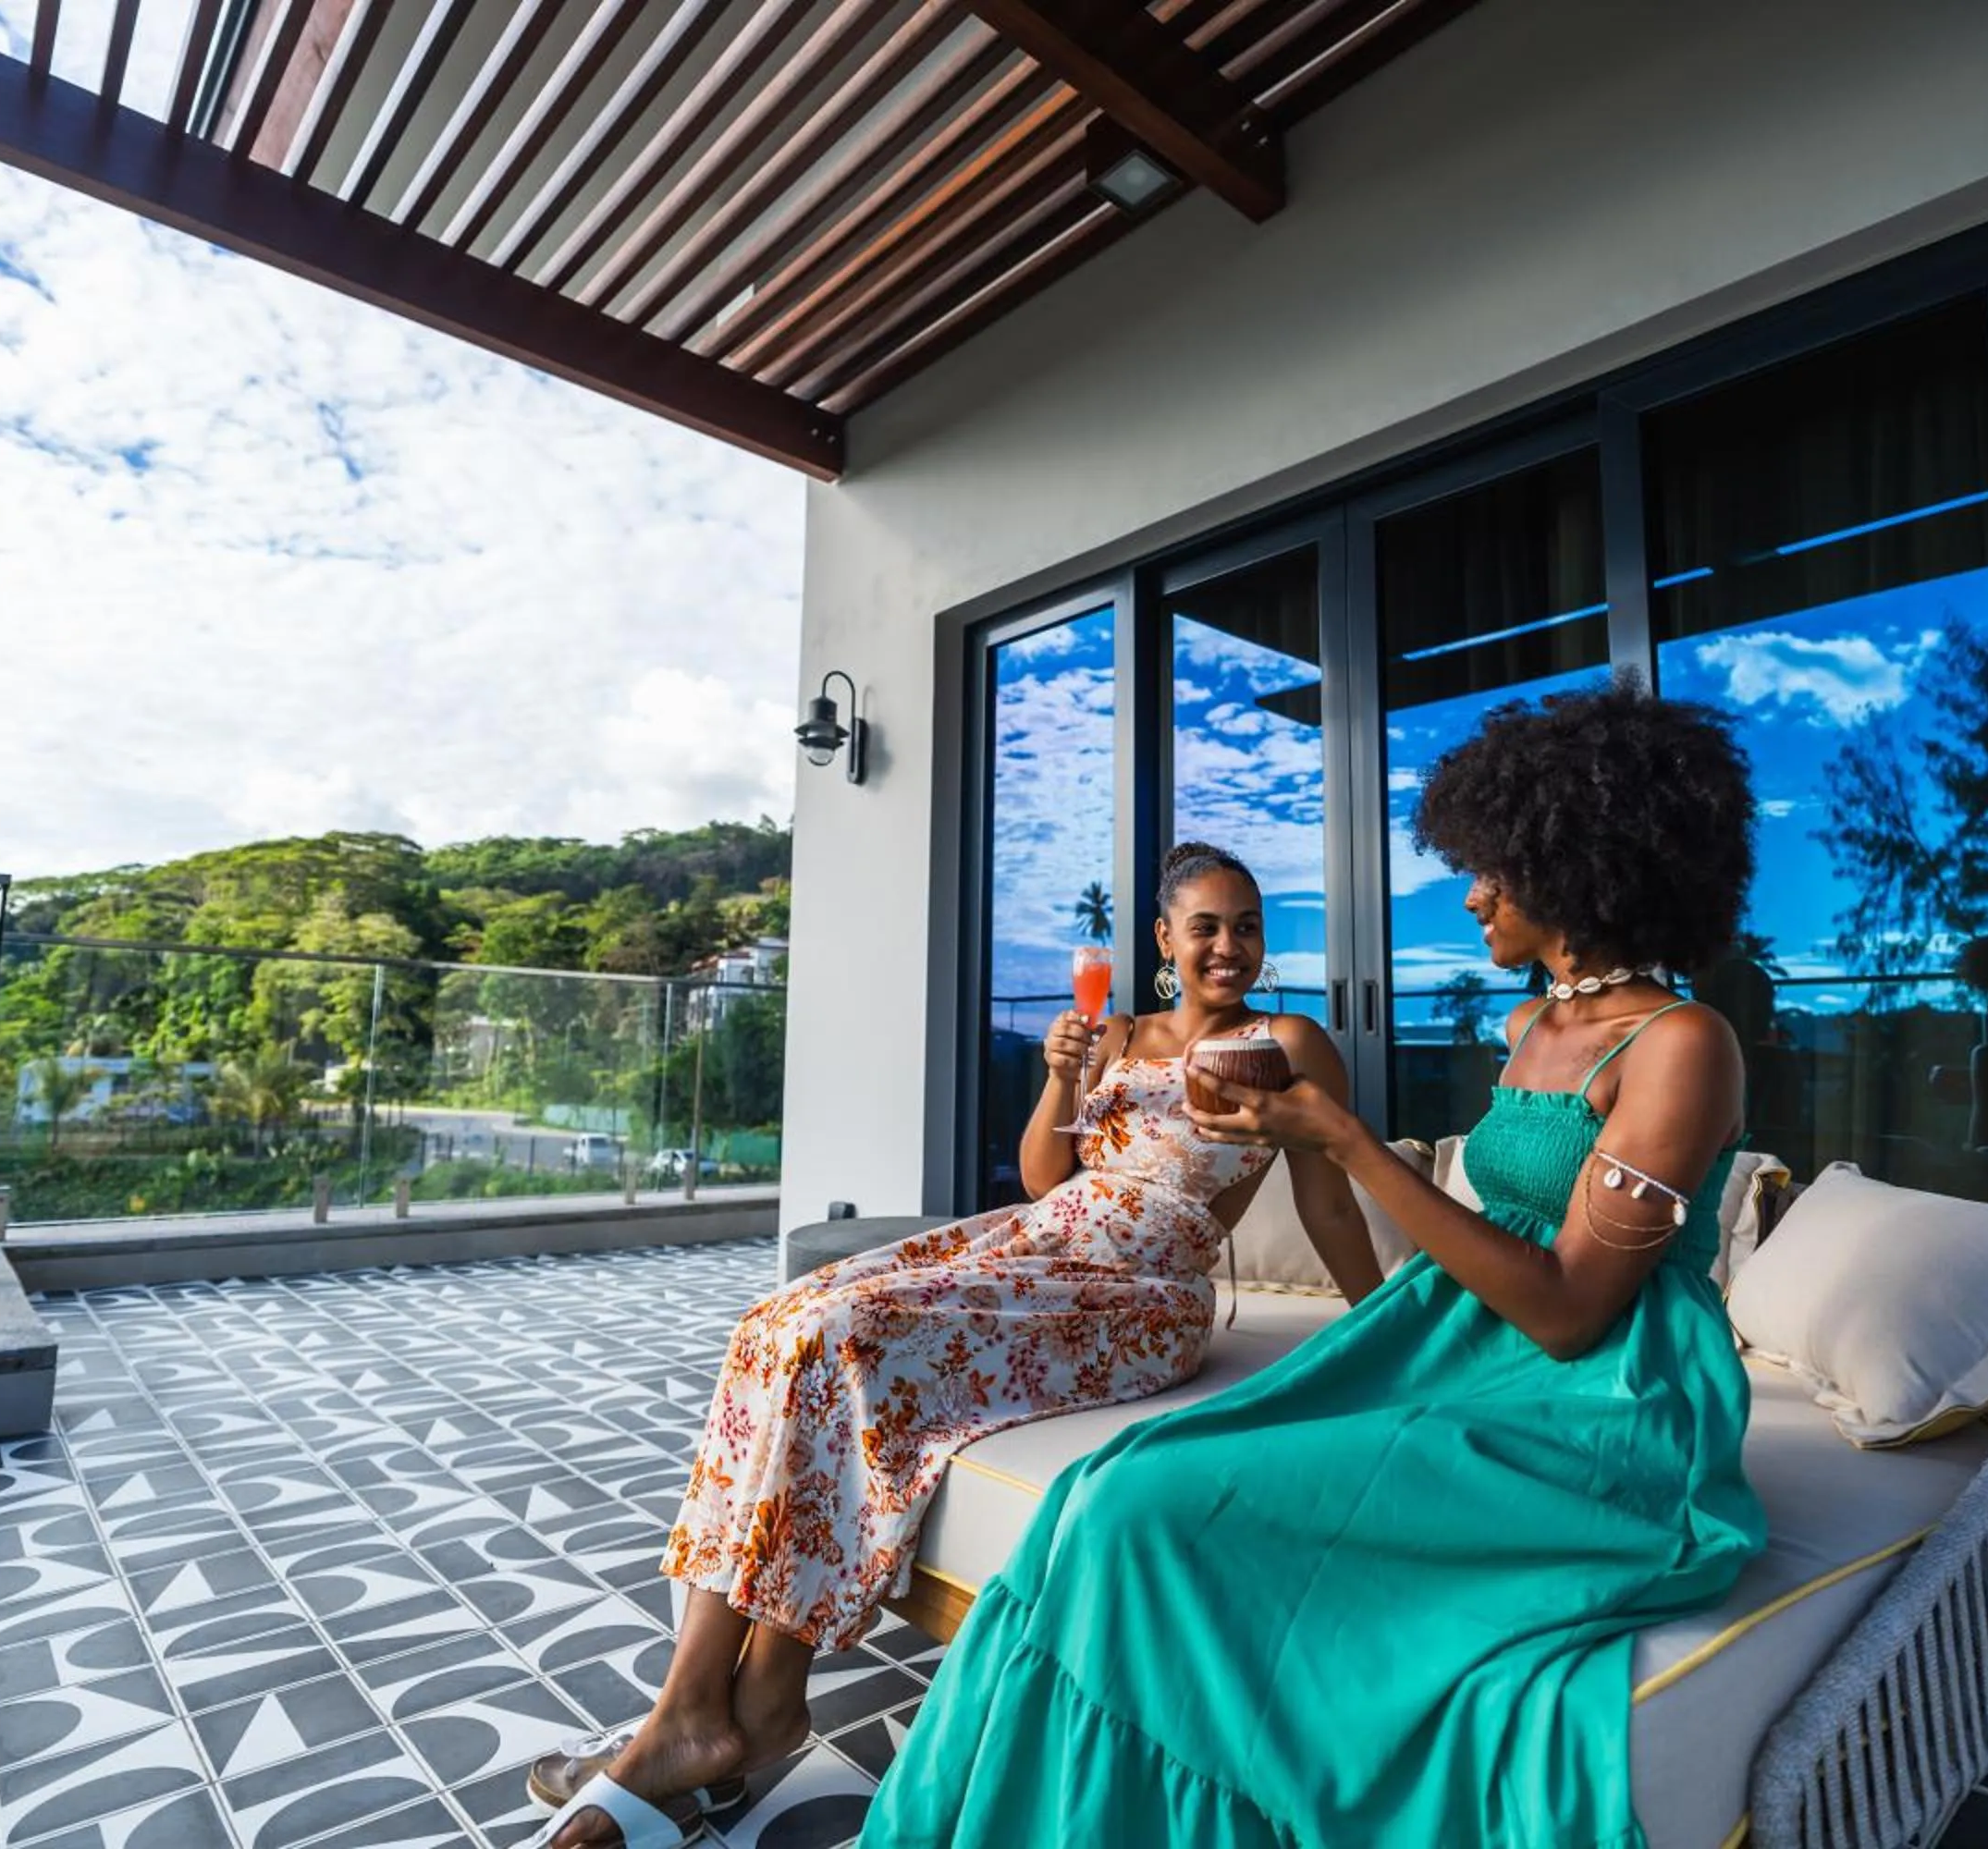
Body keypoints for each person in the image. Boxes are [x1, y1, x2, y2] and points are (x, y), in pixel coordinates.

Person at [863, 678, 1765, 1848]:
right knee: (1114, 1481)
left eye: (1491, 867)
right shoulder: (1530, 1027)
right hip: (1467, 1339)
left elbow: (1572, 1308)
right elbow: (1502, 1229)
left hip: (1606, 1394)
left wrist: (1338, 1136)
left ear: (1577, 864)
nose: (1472, 893)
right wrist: (1377, 1308)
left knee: (1150, 1505)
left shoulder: (1684, 1043)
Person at [528, 842, 1379, 1848]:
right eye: (1206, 926)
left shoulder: (1287, 1041)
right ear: (1164, 939)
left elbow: (1328, 1200)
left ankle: (715, 1719)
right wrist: (1060, 1078)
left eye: (1247, 926)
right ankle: (710, 1707)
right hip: (1038, 1240)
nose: (1228, 945)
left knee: (843, 1336)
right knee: (777, 1321)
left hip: (1140, 1292)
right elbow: (1044, 1176)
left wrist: (1388, 1332)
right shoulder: (1115, 1033)